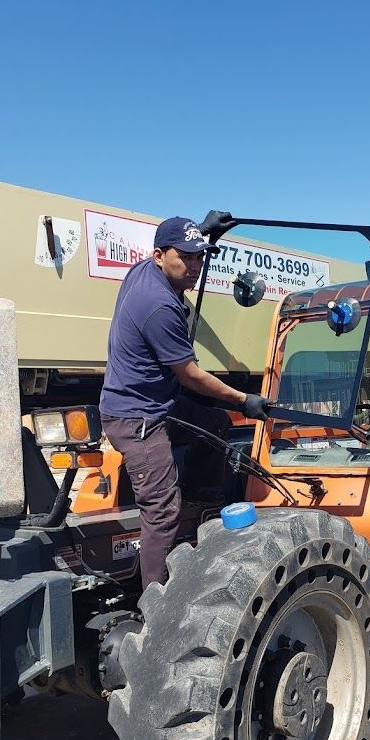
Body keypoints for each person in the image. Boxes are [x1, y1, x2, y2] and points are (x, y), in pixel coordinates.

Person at [100, 214, 271, 588]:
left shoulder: (145, 270)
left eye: (199, 257)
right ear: (159, 255)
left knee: (215, 426)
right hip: (138, 418)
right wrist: (244, 400)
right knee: (161, 511)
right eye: (187, 258)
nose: (194, 266)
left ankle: (198, 504)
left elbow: (179, 246)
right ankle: (156, 603)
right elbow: (190, 374)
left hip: (160, 403)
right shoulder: (158, 305)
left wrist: (203, 234)